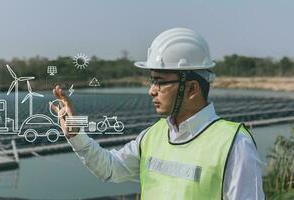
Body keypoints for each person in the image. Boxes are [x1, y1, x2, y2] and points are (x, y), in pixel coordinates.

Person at [51, 28, 264, 199]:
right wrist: (75, 133)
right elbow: (110, 168)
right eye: (152, 80)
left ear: (191, 89)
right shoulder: (152, 136)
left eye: (160, 82)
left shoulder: (234, 145)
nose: (151, 90)